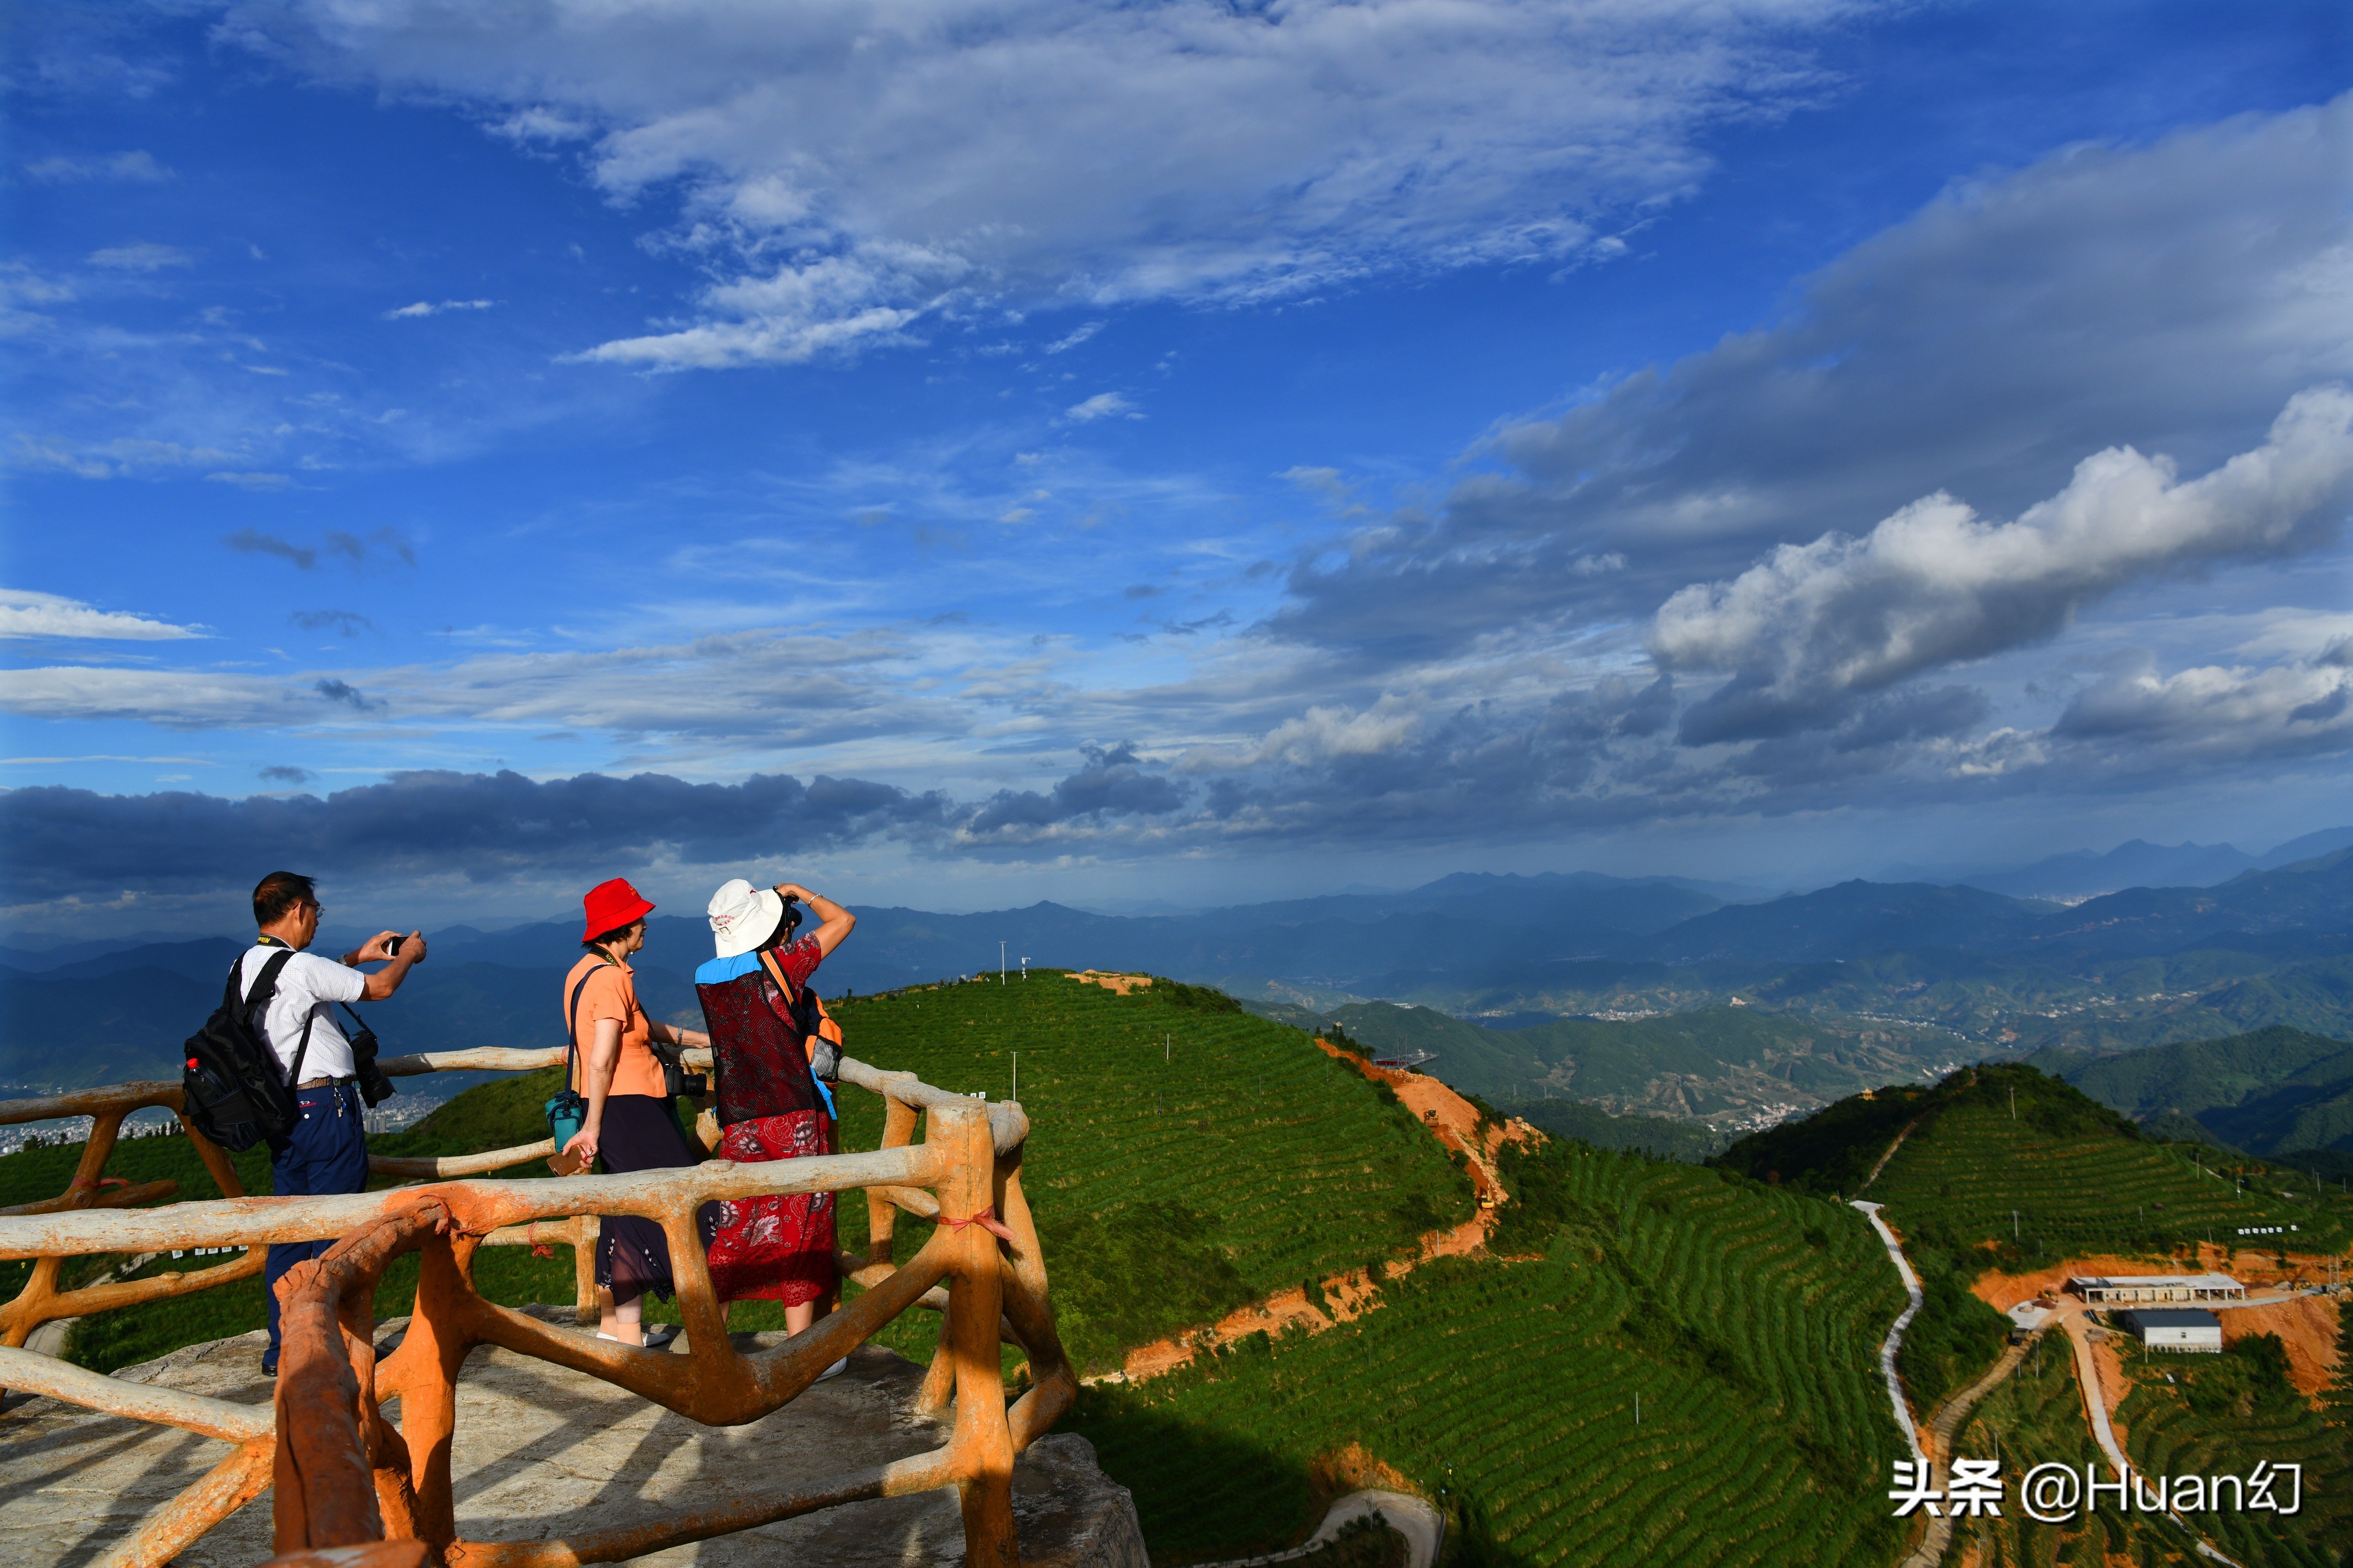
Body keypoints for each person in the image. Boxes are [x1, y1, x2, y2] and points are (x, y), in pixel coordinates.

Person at [246, 870, 425, 1376]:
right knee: (339, 1232)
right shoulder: (300, 967)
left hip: (283, 1114)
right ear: (299, 909)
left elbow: (300, 985)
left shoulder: (248, 965)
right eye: (316, 911)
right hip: (327, 1109)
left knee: (291, 1230)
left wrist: (357, 955)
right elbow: (383, 989)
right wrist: (408, 952)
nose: (317, 921)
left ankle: (287, 1348)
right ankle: (340, 1347)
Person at [694, 878, 856, 1347]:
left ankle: (710, 1344)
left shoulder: (705, 976)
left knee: (735, 1226)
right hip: (793, 1112)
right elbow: (843, 921)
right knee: (801, 1227)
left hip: (740, 1117)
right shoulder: (780, 963)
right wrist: (800, 891)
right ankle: (799, 1350)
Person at [556, 877, 714, 1348]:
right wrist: (595, 1126)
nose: (646, 924)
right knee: (684, 1204)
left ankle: (621, 1329)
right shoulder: (609, 979)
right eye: (639, 918)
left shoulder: (586, 971)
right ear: (622, 927)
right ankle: (701, 1330)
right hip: (626, 1109)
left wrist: (701, 1039)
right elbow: (602, 1057)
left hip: (612, 1106)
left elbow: (636, 1029)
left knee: (625, 1215)